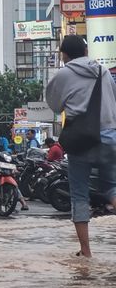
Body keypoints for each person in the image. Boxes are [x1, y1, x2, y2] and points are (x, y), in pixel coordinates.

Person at [46, 34, 116, 258]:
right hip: (108, 136)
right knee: (112, 188)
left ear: (64, 55)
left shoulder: (63, 74)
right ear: (86, 52)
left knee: (79, 195)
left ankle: (86, 251)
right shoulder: (103, 71)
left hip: (80, 140)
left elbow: (55, 105)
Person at [0, 127, 28, 211]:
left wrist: (9, 154)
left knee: (13, 178)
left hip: (4, 163)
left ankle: (23, 202)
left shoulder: (4, 140)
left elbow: (7, 150)